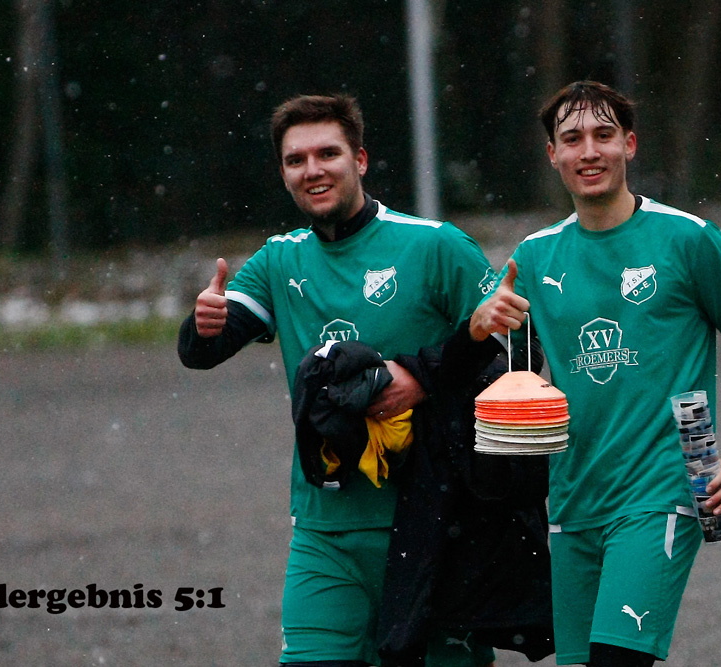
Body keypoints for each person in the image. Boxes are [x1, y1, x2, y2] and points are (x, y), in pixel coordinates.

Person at [468, 80, 721, 667]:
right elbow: (518, 384)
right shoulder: (535, 256)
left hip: (665, 488)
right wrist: (481, 328)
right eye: (572, 139)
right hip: (571, 500)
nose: (589, 150)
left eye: (603, 135)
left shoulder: (687, 239)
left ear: (630, 145)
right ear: (553, 155)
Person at [177, 94, 503, 667]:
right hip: (325, 531)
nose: (313, 169)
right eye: (295, 159)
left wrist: (421, 379)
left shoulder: (435, 245)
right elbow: (203, 353)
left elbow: (521, 352)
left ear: (361, 159)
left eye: (328, 153)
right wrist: (203, 326)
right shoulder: (280, 261)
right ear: (283, 173)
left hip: (437, 527)